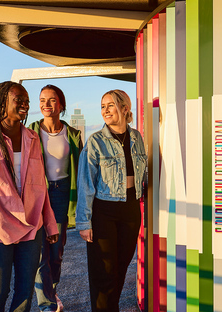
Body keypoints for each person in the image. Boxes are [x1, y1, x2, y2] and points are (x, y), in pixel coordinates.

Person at [0, 81, 59, 312]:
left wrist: (50, 224)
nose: (25, 104)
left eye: (27, 100)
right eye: (19, 99)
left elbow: (41, 187)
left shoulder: (33, 139)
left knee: (25, 291)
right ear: (2, 103)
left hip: (31, 227)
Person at [76, 89, 147, 312]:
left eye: (111, 105)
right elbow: (86, 183)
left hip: (130, 209)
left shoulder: (136, 137)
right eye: (103, 106)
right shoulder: (96, 141)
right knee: (103, 271)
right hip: (104, 210)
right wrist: (84, 222)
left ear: (125, 108)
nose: (105, 111)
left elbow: (143, 173)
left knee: (121, 267)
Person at [28, 85, 83, 312]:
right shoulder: (30, 132)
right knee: (39, 251)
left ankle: (52, 290)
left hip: (61, 194)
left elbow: (80, 168)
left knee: (56, 251)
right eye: (42, 100)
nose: (46, 105)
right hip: (37, 194)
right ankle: (47, 304)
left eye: (51, 100)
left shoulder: (73, 134)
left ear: (61, 104)